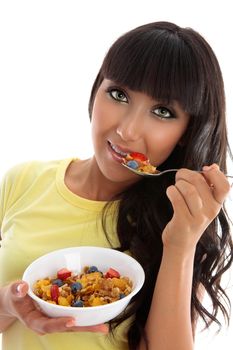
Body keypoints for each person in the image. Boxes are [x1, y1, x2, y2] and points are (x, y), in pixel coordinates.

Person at [0, 21, 232, 350]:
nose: (128, 130)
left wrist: (180, 245)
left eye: (162, 111)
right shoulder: (21, 182)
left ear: (186, 135)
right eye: (119, 94)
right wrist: (10, 305)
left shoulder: (177, 221)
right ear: (96, 89)